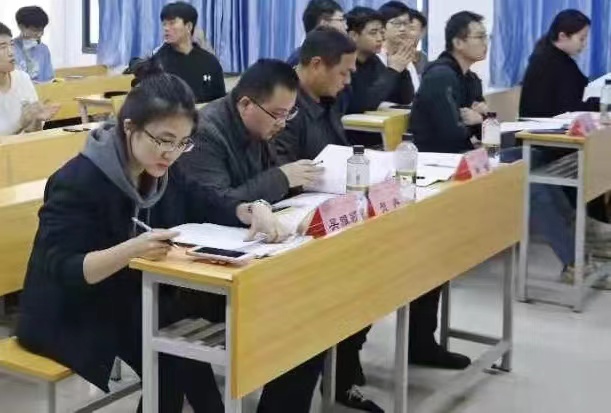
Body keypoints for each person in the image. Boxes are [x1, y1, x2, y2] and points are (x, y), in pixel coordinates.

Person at [16, 61, 289, 413]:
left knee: (178, 345)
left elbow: (204, 199)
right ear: (129, 127)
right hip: (69, 310)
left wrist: (251, 209)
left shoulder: (159, 169)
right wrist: (131, 251)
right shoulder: (78, 181)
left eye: (182, 143)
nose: (171, 154)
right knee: (170, 355)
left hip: (131, 295)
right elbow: (66, 270)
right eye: (163, 140)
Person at [178, 58, 330, 413]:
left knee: (321, 309)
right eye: (277, 114)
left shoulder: (259, 128)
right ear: (246, 103)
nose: (282, 123)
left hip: (254, 256)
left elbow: (260, 191)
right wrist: (282, 178)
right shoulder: (205, 132)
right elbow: (217, 203)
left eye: (289, 114)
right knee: (305, 321)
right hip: (202, 272)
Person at [409, 11, 488, 153]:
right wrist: (479, 120)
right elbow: (450, 133)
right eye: (480, 37)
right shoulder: (440, 76)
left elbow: (484, 131)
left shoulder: (472, 79)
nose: (485, 42)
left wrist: (480, 119)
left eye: (486, 37)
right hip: (434, 156)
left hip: (460, 153)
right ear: (458, 43)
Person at [520, 9, 597, 118]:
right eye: (581, 39)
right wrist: (602, 104)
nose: (584, 44)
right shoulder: (549, 62)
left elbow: (581, 85)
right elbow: (569, 107)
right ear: (562, 36)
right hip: (544, 126)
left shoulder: (557, 57)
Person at [345, 6, 414, 114]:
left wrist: (402, 69)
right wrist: (393, 70)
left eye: (381, 32)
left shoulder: (374, 61)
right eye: (373, 33)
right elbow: (361, 105)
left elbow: (403, 99)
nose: (380, 38)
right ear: (353, 36)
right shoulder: (343, 63)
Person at [154, 1, 225, 103]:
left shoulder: (210, 61)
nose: (166, 28)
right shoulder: (157, 63)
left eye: (172, 23)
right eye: (164, 24)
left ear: (189, 26)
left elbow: (220, 101)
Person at [0, 22, 59, 136]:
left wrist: (36, 119)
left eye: (11, 45)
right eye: (3, 47)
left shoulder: (22, 78)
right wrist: (21, 123)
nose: (11, 52)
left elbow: (33, 133)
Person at [377, 2, 428, 94]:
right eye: (397, 23)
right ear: (382, 26)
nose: (403, 29)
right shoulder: (375, 56)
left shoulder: (405, 59)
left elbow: (414, 94)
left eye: (406, 24)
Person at [286, 0, 347, 67]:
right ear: (324, 24)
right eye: (341, 20)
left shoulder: (335, 58)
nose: (346, 27)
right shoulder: (299, 61)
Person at [13, 6, 54, 83]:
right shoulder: (10, 49)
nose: (40, 34)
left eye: (42, 30)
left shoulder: (43, 49)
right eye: (35, 30)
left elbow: (49, 79)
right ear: (21, 27)